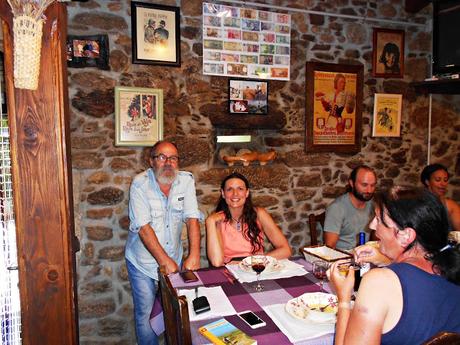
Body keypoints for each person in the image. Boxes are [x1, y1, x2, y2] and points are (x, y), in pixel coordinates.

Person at [328, 187, 460, 345]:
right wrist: (386, 261)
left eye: (378, 219)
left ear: (406, 235)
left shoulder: (379, 282)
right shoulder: (450, 265)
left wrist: (343, 298)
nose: (371, 225)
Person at [125, 141, 201, 345]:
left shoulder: (186, 181)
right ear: (151, 161)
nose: (168, 163)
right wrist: (163, 260)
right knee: (146, 313)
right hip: (143, 260)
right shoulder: (139, 184)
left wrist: (194, 254)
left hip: (173, 257)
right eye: (162, 157)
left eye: (173, 158)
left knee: (175, 309)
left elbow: (192, 218)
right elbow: (143, 228)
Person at [206, 172, 291, 267]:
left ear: (247, 193)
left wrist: (252, 262)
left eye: (240, 189)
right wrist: (210, 221)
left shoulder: (259, 214)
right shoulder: (216, 220)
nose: (235, 194)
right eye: (229, 189)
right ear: (223, 193)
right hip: (230, 271)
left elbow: (285, 250)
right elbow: (217, 262)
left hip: (257, 268)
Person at [323, 165, 377, 251]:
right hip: (343, 257)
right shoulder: (337, 208)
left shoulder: (373, 205)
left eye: (373, 185)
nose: (369, 190)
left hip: (365, 255)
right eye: (364, 185)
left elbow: (376, 239)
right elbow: (330, 247)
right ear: (352, 183)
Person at [421, 163, 460, 231]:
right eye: (438, 180)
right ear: (427, 182)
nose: (443, 184)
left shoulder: (450, 205)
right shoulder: (416, 202)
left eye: (445, 180)